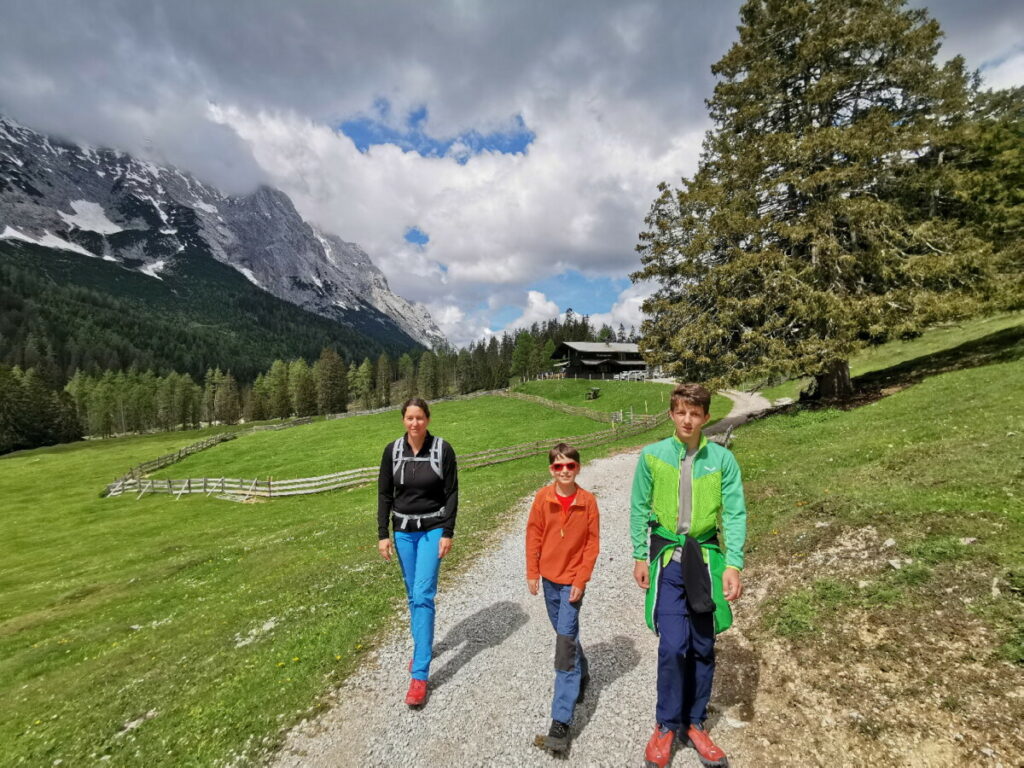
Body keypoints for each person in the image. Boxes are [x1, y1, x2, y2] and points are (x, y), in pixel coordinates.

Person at [630, 383, 747, 768]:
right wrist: (638, 555)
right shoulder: (652, 456)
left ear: (706, 417)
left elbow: (733, 513)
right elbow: (638, 506)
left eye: (695, 413)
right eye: (681, 412)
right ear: (671, 414)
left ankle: (695, 723)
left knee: (702, 645)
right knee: (672, 647)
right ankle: (665, 725)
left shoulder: (722, 460)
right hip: (668, 562)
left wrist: (733, 564)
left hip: (707, 562)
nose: (687, 419)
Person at [377, 397, 458, 708]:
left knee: (423, 594)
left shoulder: (442, 450)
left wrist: (448, 531)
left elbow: (451, 493)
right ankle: (422, 647)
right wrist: (383, 535)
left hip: (432, 529)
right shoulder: (392, 451)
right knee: (412, 594)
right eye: (410, 418)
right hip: (403, 533)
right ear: (403, 420)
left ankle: (420, 674)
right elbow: (385, 493)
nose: (415, 423)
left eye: (420, 418)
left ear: (428, 419)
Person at [525, 443, 600, 754]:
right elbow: (533, 535)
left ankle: (561, 722)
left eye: (570, 466)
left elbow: (592, 545)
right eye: (559, 467)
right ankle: (581, 671)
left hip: (571, 584)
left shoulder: (588, 502)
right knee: (563, 634)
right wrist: (532, 572)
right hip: (548, 580)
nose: (565, 471)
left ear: (578, 468)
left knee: (564, 646)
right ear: (551, 470)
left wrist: (580, 580)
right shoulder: (543, 499)